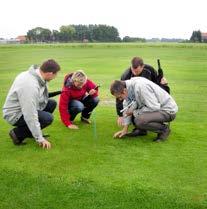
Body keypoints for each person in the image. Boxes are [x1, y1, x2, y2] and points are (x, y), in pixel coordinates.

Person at [2, 59, 60, 149]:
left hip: (23, 108)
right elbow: (30, 114)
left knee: (51, 103)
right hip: (15, 114)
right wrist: (39, 138)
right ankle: (17, 134)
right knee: (48, 118)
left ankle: (31, 132)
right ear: (50, 73)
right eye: (56, 74)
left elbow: (40, 97)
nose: (55, 77)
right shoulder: (30, 85)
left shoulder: (36, 76)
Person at [110, 77, 178, 142]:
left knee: (139, 120)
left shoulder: (141, 87)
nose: (120, 99)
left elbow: (154, 107)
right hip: (159, 109)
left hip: (168, 111)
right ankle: (143, 130)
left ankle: (164, 129)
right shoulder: (128, 87)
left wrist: (134, 112)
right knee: (138, 116)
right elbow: (127, 107)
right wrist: (125, 130)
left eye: (120, 97)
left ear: (124, 91)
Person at [116, 56, 170, 137]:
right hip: (137, 101)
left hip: (151, 99)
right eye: (133, 70)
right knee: (135, 110)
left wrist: (164, 85)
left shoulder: (150, 70)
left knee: (143, 111)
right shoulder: (126, 75)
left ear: (142, 66)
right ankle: (140, 129)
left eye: (137, 71)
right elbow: (120, 96)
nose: (135, 73)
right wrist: (120, 114)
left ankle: (161, 126)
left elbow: (158, 87)